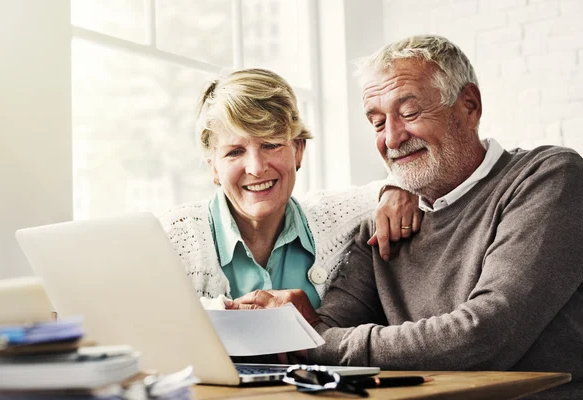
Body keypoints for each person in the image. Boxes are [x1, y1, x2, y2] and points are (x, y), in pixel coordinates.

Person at [227, 36, 583, 397]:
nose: (392, 139)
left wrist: (313, 340)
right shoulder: (380, 226)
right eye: (378, 123)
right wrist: (277, 324)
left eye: (409, 113)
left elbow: (484, 335)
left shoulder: (548, 178)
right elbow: (325, 326)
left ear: (469, 106)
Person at [159, 68, 420, 307]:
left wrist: (398, 189)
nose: (256, 168)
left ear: (298, 150)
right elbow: (145, 322)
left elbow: (411, 179)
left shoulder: (337, 218)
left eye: (271, 145)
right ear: (213, 167)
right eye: (235, 152)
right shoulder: (174, 236)